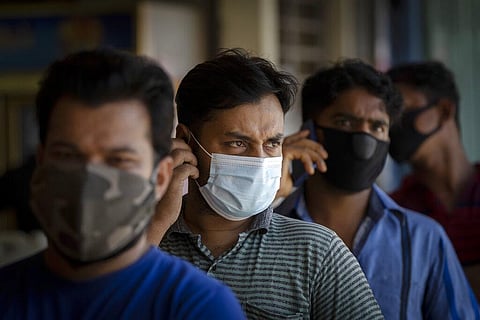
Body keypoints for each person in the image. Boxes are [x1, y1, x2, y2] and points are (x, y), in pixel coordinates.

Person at [0, 48, 246, 319]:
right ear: (42, 162)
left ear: (161, 176)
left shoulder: (199, 308)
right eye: (68, 155)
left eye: (118, 160)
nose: (89, 181)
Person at [148, 48, 383, 319]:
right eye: (238, 143)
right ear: (186, 141)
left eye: (272, 144)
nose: (259, 161)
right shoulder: (141, 239)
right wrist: (155, 226)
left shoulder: (316, 252)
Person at [275, 59, 480, 319]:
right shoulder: (266, 229)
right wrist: (270, 193)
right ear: (309, 132)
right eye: (345, 122)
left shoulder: (423, 240)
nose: (364, 139)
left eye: (377, 127)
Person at [387, 61, 480, 302]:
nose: (392, 124)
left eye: (401, 110)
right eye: (387, 115)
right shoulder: (394, 212)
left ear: (444, 111)